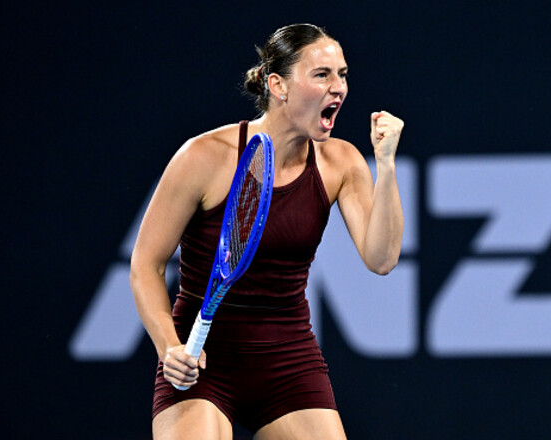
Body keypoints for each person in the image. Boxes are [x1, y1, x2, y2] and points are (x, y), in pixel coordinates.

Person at [130, 23, 404, 440]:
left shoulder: (341, 162)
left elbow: (381, 259)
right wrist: (169, 347)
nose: (338, 87)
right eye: (322, 75)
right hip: (202, 360)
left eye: (342, 75)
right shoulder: (205, 156)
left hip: (289, 359)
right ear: (278, 85)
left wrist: (385, 164)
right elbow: (145, 265)